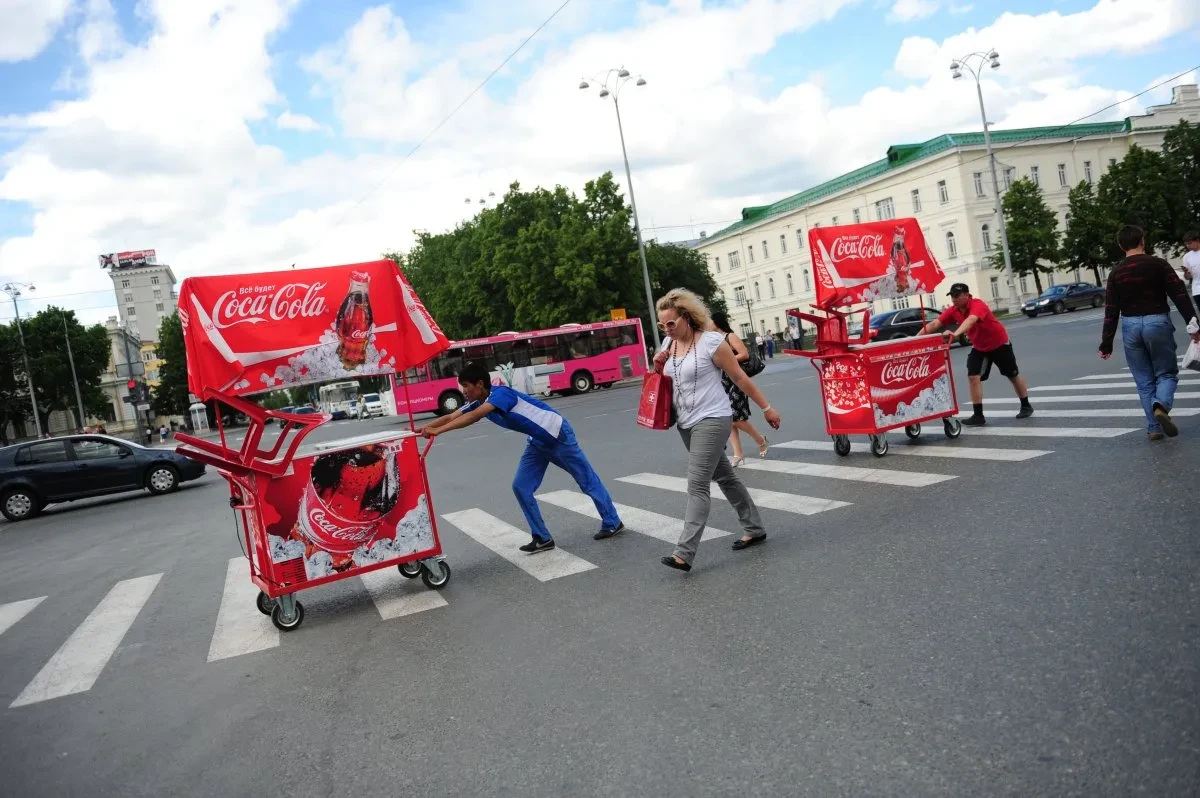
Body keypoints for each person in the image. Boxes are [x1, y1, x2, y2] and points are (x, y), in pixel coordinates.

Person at [417, 362, 624, 552]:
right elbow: (452, 416)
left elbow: (474, 417)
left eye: (466, 386)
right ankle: (543, 538)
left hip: (557, 434)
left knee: (586, 480)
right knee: (521, 487)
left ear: (480, 384)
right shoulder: (478, 400)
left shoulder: (500, 395)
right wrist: (421, 429)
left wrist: (439, 431)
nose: (463, 391)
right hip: (537, 441)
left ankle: (613, 522)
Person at [654, 289, 781, 573]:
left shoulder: (711, 342)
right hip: (685, 421)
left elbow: (739, 377)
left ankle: (684, 553)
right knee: (724, 475)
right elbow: (661, 382)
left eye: (671, 323)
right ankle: (754, 527)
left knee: (697, 483)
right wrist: (656, 365)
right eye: (663, 325)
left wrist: (767, 408)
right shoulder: (668, 345)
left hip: (713, 417)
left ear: (686, 318)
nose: (667, 329)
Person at [1098, 225, 1200, 440]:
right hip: (1157, 322)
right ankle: (1161, 404)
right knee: (1166, 373)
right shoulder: (1158, 265)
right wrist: (1194, 325)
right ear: (1143, 242)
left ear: (1120, 245)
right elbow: (1179, 295)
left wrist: (1106, 343)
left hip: (1130, 326)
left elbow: (1111, 311)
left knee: (1143, 381)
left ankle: (1154, 428)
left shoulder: (1116, 272)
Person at [919, 283, 1033, 426]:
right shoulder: (953, 310)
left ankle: (1026, 405)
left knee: (1012, 375)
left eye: (957, 296)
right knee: (973, 377)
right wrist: (914, 339)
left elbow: (971, 320)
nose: (954, 299)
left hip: (999, 344)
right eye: (952, 296)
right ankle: (978, 416)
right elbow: (935, 324)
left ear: (967, 295)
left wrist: (955, 334)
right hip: (980, 347)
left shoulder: (978, 305)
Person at [709, 311, 769, 466]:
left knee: (737, 419)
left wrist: (726, 360)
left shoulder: (730, 336)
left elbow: (744, 354)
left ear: (717, 322)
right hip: (723, 382)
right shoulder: (715, 339)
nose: (708, 324)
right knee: (729, 419)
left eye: (710, 321)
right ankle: (738, 453)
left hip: (737, 380)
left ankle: (761, 440)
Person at [1182, 231, 1200, 316]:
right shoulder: (1187, 257)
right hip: (1197, 290)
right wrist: (1186, 272)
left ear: (1197, 240)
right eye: (1186, 244)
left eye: (1190, 243)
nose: (1188, 246)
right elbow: (1188, 277)